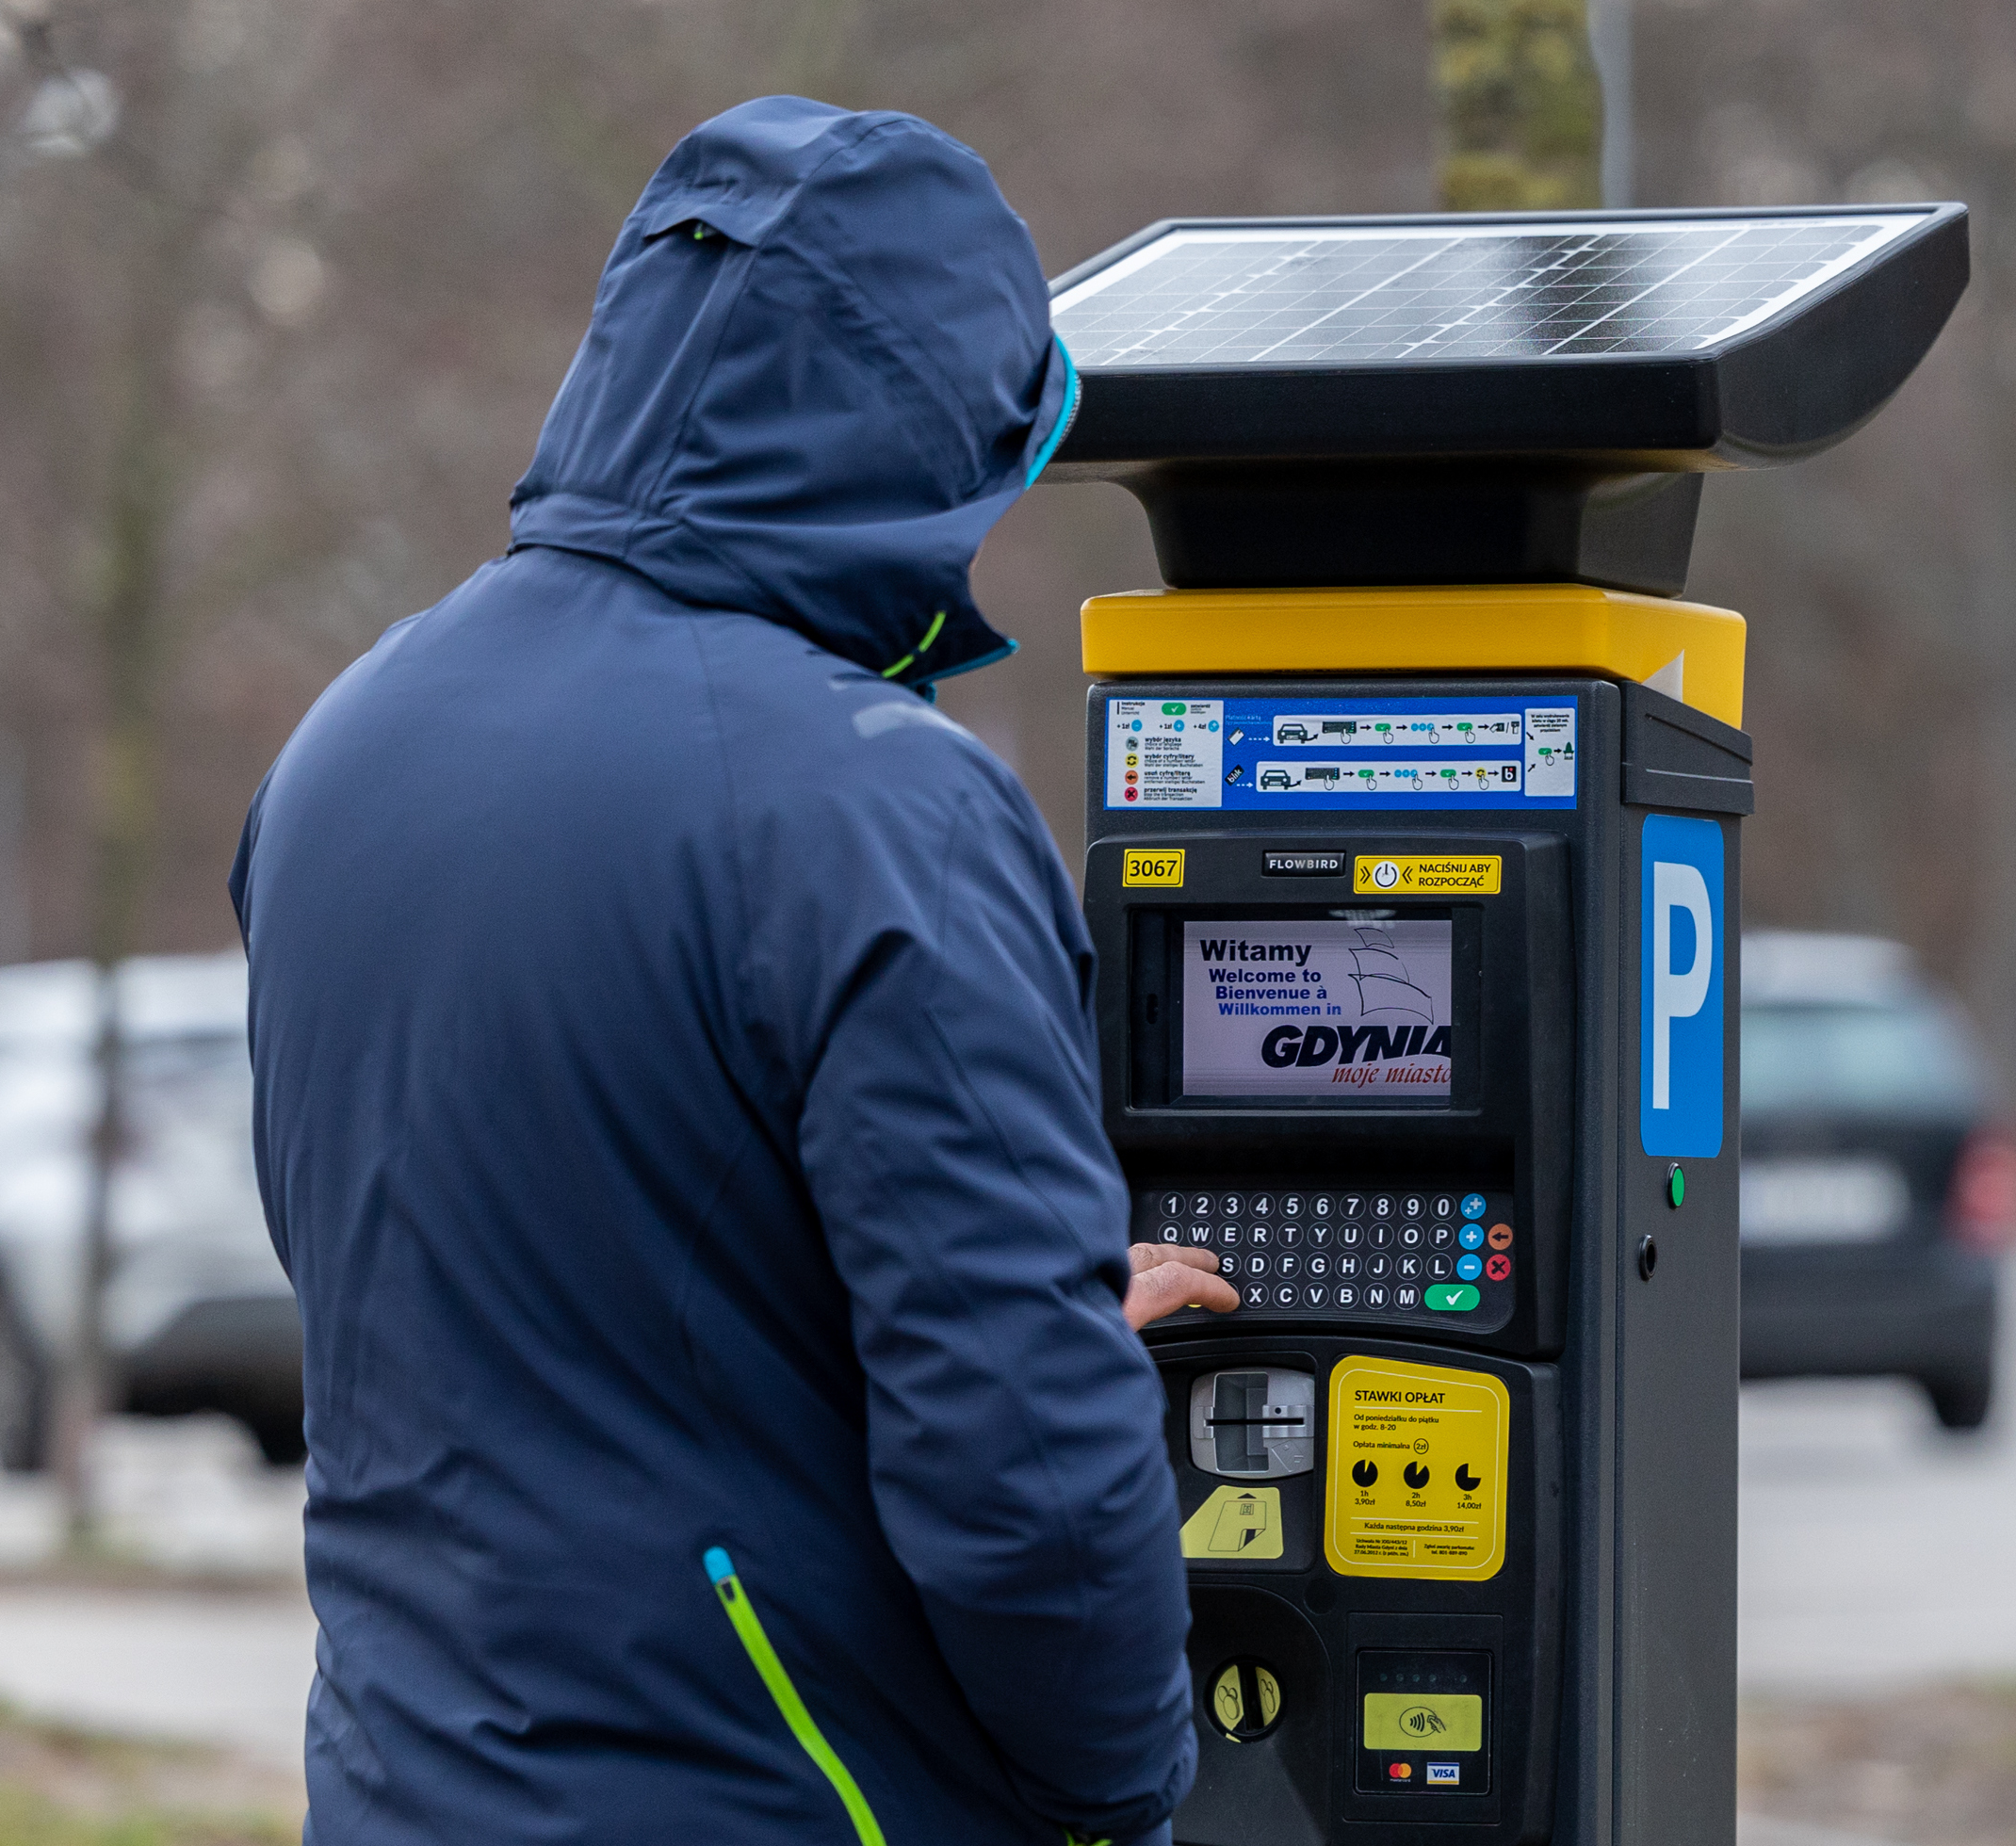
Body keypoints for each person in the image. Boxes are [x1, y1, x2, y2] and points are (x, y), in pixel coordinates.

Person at [230, 98, 1234, 1846]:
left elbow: (542, 1298)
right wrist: (1125, 1792)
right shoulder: (871, 801)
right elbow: (1021, 1479)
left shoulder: (346, 744)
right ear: (950, 433)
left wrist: (1028, 1315)